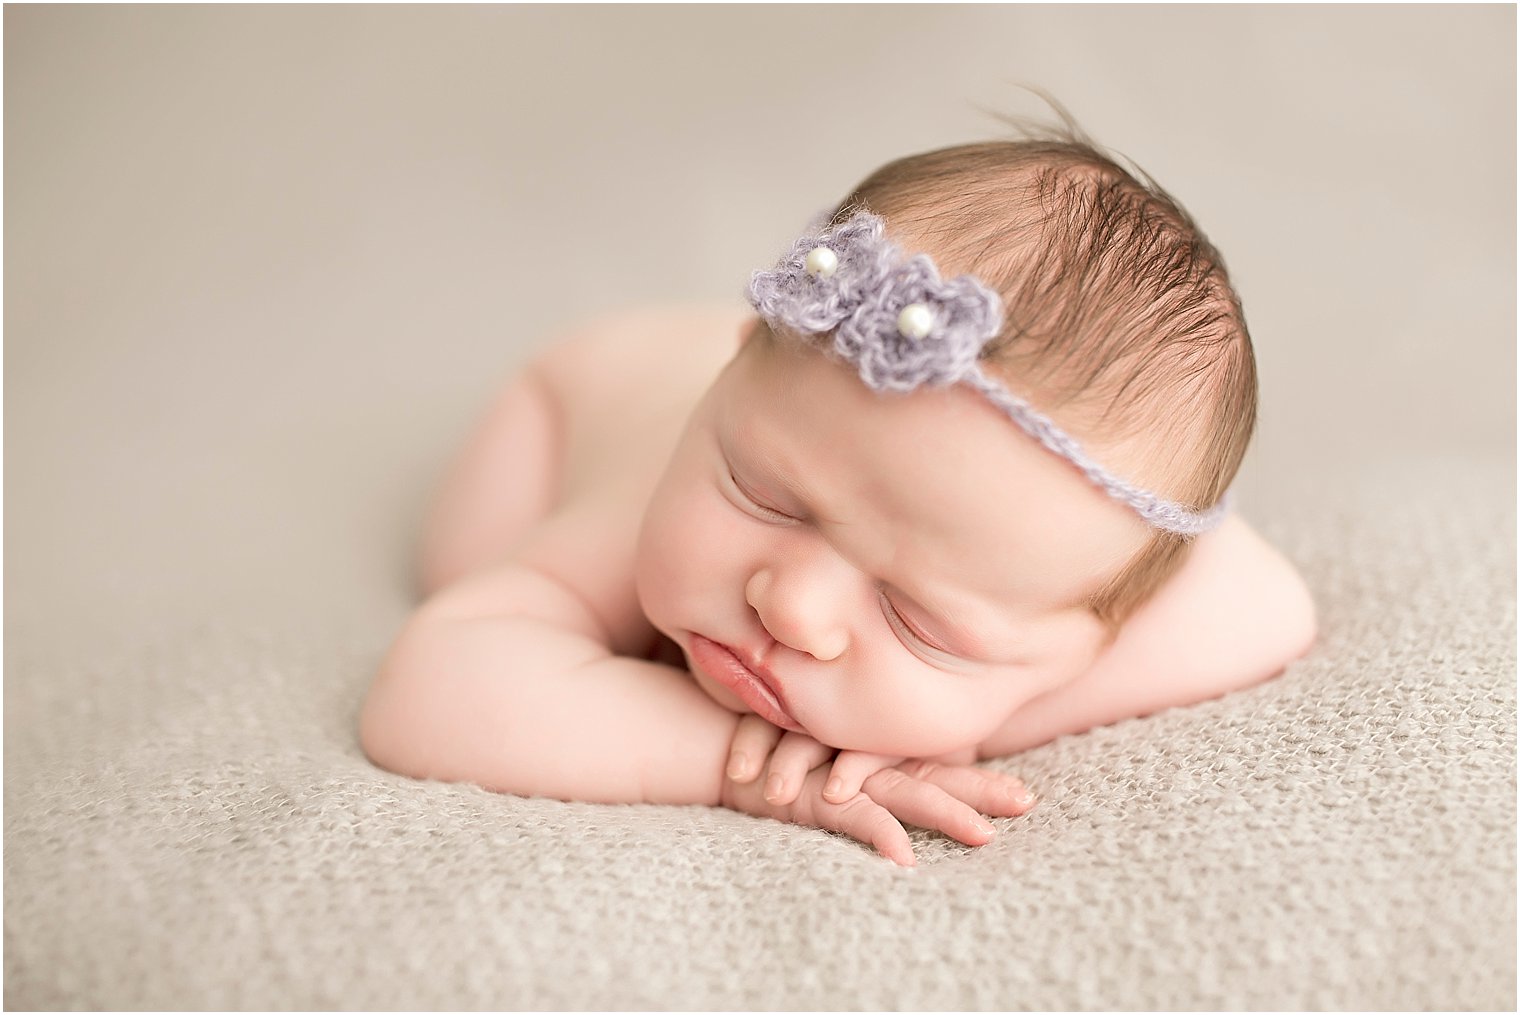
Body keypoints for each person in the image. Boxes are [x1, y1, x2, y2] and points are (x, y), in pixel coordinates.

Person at [359, 121, 1318, 867]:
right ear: (725, 389)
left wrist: (974, 717)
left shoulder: (1091, 570)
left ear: (1090, 640)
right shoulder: (649, 484)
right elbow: (430, 690)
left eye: (919, 620)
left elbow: (1270, 609)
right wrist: (754, 768)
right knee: (464, 564)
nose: (791, 605)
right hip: (560, 413)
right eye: (764, 495)